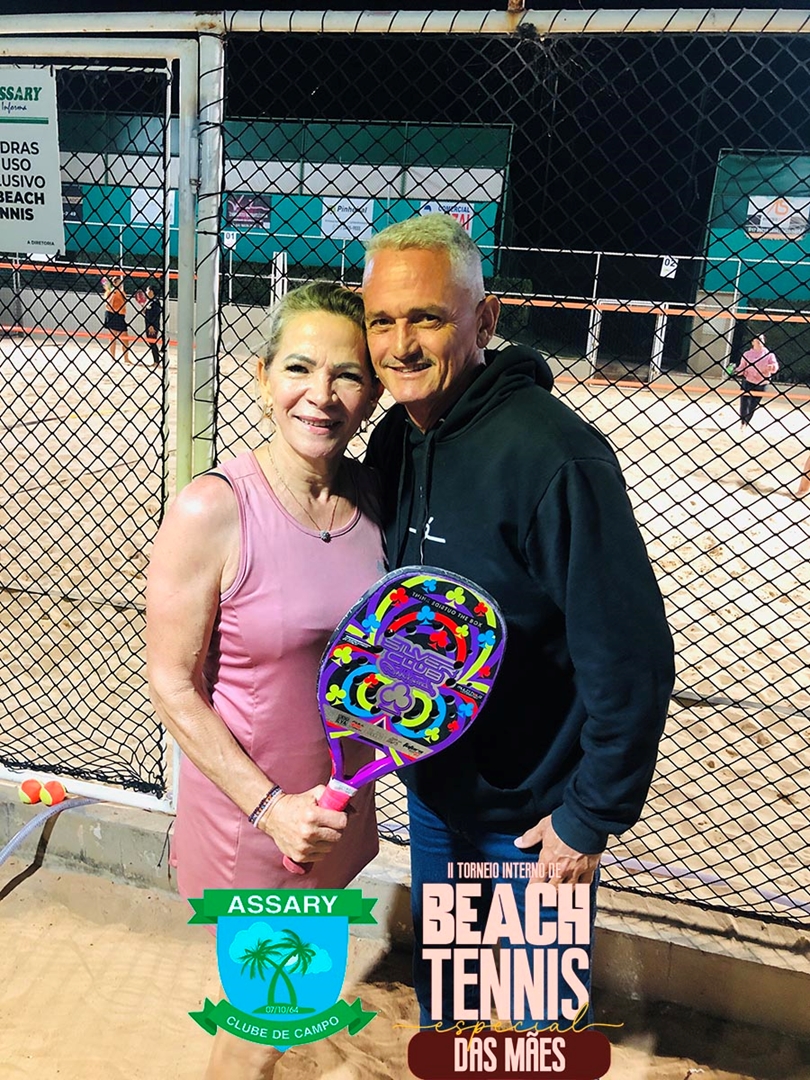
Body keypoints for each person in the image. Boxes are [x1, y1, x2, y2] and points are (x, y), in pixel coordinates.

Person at [362, 214, 675, 1030]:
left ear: (485, 319)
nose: (401, 344)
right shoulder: (396, 440)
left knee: (538, 1027)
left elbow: (631, 658)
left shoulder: (555, 455)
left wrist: (589, 817)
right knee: (451, 1012)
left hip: (538, 822)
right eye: (382, 321)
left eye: (427, 317)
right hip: (437, 794)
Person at [145, 281, 384, 1079]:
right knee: (264, 1022)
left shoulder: (373, 500)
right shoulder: (212, 509)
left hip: (335, 814)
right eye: (299, 368)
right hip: (254, 824)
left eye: (347, 375)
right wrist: (270, 809)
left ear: (372, 393)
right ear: (262, 376)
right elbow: (172, 685)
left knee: (281, 1011)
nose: (321, 395)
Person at [733, 335, 779, 428]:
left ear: (763, 342)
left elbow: (775, 366)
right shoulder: (747, 354)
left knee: (752, 406)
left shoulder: (769, 355)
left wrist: (772, 367)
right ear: (752, 342)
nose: (758, 341)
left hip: (762, 383)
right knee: (744, 404)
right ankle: (743, 422)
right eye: (756, 340)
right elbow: (742, 367)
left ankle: (746, 423)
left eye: (760, 339)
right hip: (748, 381)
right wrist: (736, 371)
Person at [101, 267, 132, 363]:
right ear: (114, 283)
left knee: (125, 338)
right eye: (118, 283)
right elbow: (107, 304)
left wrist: (117, 292)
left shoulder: (122, 293)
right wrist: (112, 293)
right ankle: (113, 358)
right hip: (111, 315)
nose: (120, 284)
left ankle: (126, 358)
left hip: (120, 316)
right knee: (112, 337)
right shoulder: (109, 292)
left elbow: (124, 302)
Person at [142, 282, 162, 367]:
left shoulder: (155, 302)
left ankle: (156, 361)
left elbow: (155, 315)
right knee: (151, 342)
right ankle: (156, 360)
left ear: (151, 291)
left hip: (153, 325)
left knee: (152, 342)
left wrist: (151, 325)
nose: (146, 292)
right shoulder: (149, 302)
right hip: (148, 324)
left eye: (147, 290)